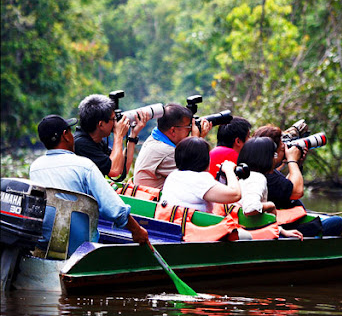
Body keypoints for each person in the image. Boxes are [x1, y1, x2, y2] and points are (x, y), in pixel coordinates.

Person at [29, 115, 149, 256]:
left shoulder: (35, 167)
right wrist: (137, 231)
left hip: (46, 246)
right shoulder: (84, 166)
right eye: (70, 131)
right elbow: (114, 209)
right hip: (81, 250)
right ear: (65, 136)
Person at [253, 125, 342, 237]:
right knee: (337, 223)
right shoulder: (265, 175)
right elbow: (296, 193)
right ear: (273, 152)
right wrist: (292, 161)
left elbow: (284, 188)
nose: (286, 149)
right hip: (282, 228)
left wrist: (298, 165)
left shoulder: (261, 169)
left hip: (281, 223)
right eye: (282, 148)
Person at [235, 137, 303, 240]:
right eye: (274, 155)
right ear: (266, 159)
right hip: (251, 232)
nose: (276, 159)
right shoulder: (257, 178)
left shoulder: (240, 176)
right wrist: (270, 206)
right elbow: (251, 208)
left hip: (245, 227)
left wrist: (280, 230)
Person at [133, 103, 212, 189]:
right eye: (188, 127)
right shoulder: (167, 152)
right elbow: (196, 178)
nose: (190, 130)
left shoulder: (154, 138)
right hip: (154, 200)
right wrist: (196, 140)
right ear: (173, 130)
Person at [74, 94, 150, 178]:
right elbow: (114, 170)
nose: (116, 122)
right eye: (113, 119)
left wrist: (133, 135)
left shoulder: (96, 140)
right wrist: (118, 135)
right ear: (101, 124)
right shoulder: (81, 144)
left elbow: (122, 168)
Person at [161, 137, 242, 213]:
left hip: (170, 222)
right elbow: (235, 194)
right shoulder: (200, 179)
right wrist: (229, 170)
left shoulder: (174, 175)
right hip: (188, 226)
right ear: (205, 160)